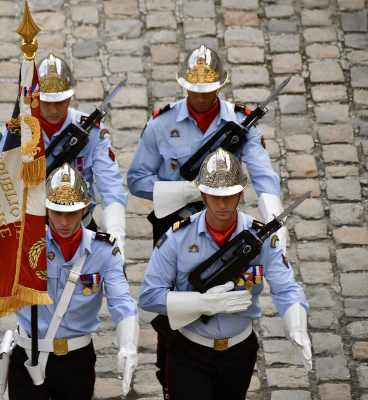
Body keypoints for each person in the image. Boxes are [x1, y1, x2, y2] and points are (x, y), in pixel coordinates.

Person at [126, 44, 287, 395]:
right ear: (184, 85)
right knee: (172, 308)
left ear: (221, 86)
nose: (202, 96)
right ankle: (172, 379)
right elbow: (137, 180)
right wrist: (188, 191)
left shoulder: (238, 123)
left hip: (228, 229)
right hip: (176, 227)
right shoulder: (161, 124)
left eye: (209, 89)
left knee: (227, 296)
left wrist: (274, 215)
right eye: (195, 90)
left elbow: (262, 173)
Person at [139, 148, 312, 400]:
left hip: (239, 352)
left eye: (229, 196)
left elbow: (285, 289)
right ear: (202, 194)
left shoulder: (262, 238)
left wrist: (296, 325)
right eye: (214, 195)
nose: (222, 204)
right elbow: (150, 296)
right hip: (189, 350)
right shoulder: (177, 237)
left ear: (241, 193)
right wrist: (203, 303)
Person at [5, 163, 139, 399]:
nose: (64, 222)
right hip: (29, 355)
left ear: (85, 208)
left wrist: (128, 342)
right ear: (46, 208)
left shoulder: (105, 249)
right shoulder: (23, 244)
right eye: (57, 212)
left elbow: (120, 300)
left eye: (71, 213)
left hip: (77, 361)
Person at [0, 53, 127, 260]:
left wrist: (117, 237)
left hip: (80, 230)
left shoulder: (92, 131)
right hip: (31, 236)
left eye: (59, 101)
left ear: (70, 96)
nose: (53, 109)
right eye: (46, 101)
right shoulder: (15, 134)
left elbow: (111, 188)